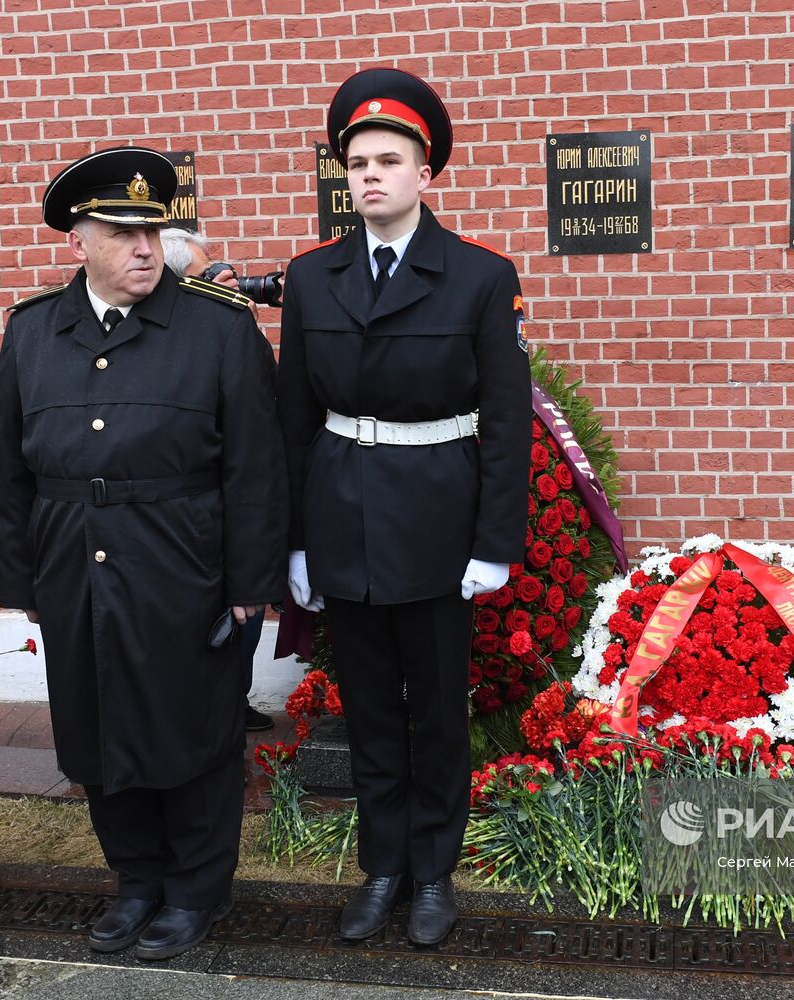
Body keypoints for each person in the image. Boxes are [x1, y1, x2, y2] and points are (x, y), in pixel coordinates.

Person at [0, 147, 288, 960]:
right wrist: (22, 579)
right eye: (122, 234)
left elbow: (256, 466)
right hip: (72, 562)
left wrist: (250, 583)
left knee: (190, 730)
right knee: (94, 727)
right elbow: (9, 468)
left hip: (182, 561)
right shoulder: (33, 331)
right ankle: (135, 882)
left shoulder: (218, 327)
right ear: (79, 241)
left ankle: (194, 891)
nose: (143, 249)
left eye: (152, 233)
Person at [277, 69, 530, 945]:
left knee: (437, 712)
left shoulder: (480, 277)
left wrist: (494, 542)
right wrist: (295, 544)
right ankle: (382, 867)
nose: (370, 176)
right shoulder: (313, 278)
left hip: (437, 521)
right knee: (370, 710)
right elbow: (293, 420)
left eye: (388, 161)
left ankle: (432, 873)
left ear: (425, 173)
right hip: (342, 515)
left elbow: (506, 422)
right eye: (357, 164)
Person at [160, 227, 273, 733]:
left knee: (245, 614)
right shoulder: (167, 341)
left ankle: (233, 700)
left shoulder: (226, 326)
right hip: (193, 514)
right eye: (203, 274)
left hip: (240, 506)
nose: (220, 279)